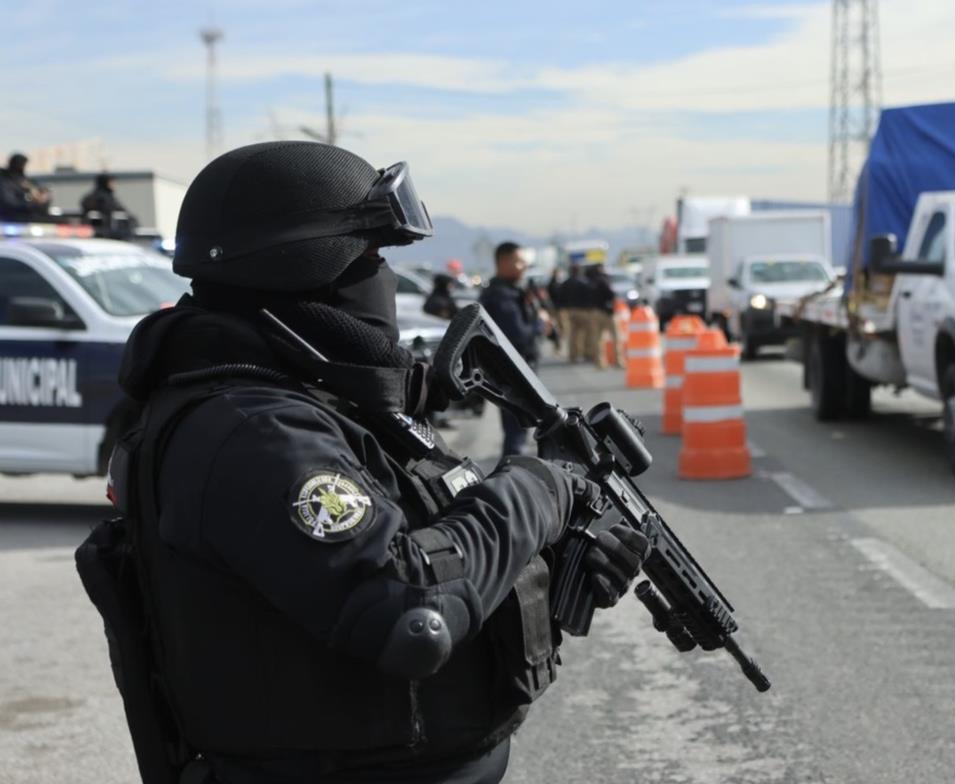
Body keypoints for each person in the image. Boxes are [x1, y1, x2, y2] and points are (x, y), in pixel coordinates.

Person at [91, 142, 648, 784]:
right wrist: (536, 490)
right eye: (372, 257)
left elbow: (419, 555)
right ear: (301, 265)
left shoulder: (314, 399)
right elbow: (411, 613)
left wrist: (550, 564)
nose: (383, 277)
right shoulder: (253, 430)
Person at [478, 241, 546, 457]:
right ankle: (513, 475)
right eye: (518, 262)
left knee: (520, 427)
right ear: (504, 262)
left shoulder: (509, 291)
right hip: (514, 373)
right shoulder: (501, 295)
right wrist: (540, 324)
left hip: (515, 371)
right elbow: (518, 336)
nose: (523, 266)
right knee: (517, 429)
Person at [80, 173, 137, 238]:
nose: (113, 184)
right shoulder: (101, 197)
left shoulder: (107, 196)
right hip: (104, 234)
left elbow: (122, 210)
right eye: (110, 182)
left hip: (108, 232)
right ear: (105, 183)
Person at [585, 264, 620, 369]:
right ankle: (618, 360)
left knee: (597, 339)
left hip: (594, 312)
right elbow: (611, 294)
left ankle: (600, 362)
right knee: (615, 336)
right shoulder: (603, 280)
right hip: (606, 312)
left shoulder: (589, 282)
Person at [558, 264, 593, 363]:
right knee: (587, 333)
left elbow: (560, 297)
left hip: (570, 311)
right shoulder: (584, 282)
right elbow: (588, 296)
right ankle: (587, 354)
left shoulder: (565, 283)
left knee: (573, 334)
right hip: (583, 311)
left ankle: (573, 356)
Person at [0, 153, 51, 221]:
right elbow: (9, 203)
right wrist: (32, 204)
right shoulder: (5, 180)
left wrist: (40, 196)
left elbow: (40, 191)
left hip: (27, 215)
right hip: (10, 217)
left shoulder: (23, 180)